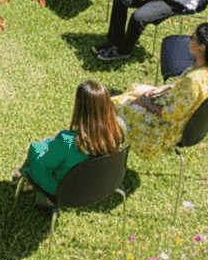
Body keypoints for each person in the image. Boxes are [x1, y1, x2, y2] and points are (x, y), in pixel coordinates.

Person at [113, 22, 208, 160]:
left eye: (193, 38)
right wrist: (160, 89)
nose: (189, 41)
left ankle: (107, 144)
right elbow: (183, 94)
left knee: (120, 106)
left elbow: (168, 114)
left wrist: (143, 102)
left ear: (202, 47)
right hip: (175, 109)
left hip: (165, 128)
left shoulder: (193, 81)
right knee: (135, 88)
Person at [18, 80, 127, 210]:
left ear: (80, 108)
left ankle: (41, 195)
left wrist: (37, 148)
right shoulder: (118, 128)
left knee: (35, 152)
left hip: (66, 192)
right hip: (99, 185)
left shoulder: (68, 141)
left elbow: (43, 165)